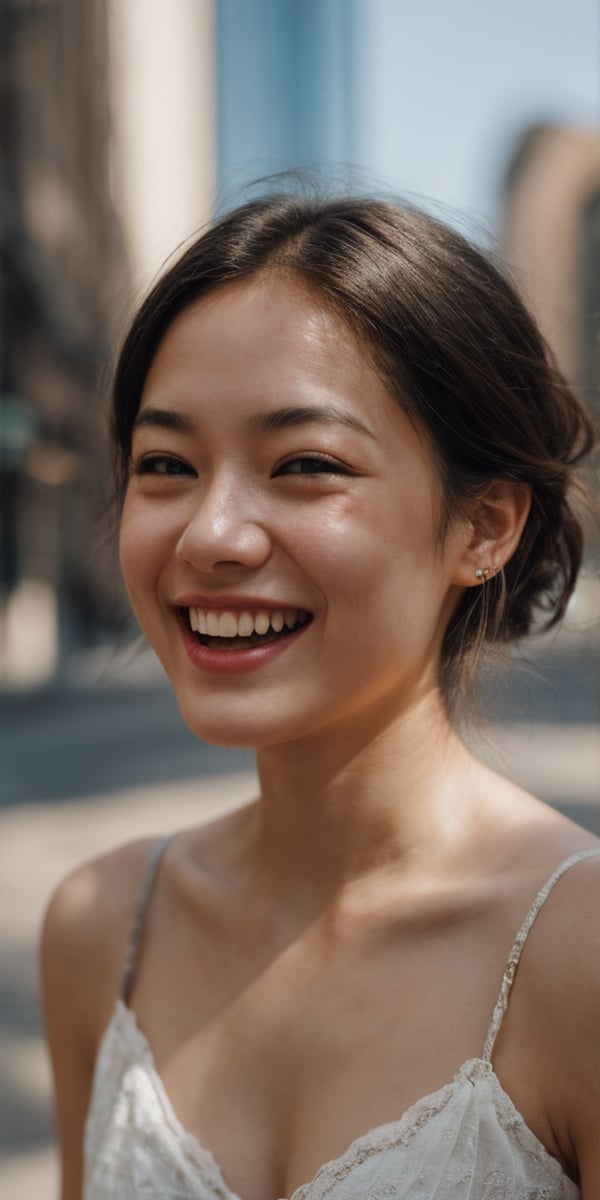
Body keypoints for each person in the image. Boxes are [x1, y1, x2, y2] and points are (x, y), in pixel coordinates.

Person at [41, 192, 599, 1200]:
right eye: (166, 464)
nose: (212, 534)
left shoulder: (580, 956)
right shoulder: (99, 928)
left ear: (485, 527)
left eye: (305, 465)